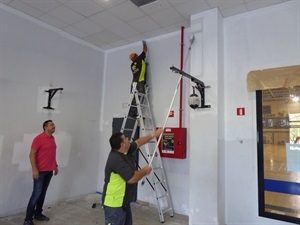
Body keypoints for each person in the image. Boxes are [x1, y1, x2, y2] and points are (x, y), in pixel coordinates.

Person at [102, 128, 163, 225]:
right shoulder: (116, 159)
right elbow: (132, 178)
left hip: (123, 202)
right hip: (114, 204)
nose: (127, 138)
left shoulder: (125, 150)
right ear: (122, 145)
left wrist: (153, 135)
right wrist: (145, 171)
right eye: (125, 138)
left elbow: (139, 142)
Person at [23, 120, 58, 225]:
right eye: (51, 125)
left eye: (54, 125)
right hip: (40, 172)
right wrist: (34, 169)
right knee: (36, 195)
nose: (54, 126)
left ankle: (38, 214)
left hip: (49, 171)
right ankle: (28, 220)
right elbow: (31, 155)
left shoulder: (52, 138)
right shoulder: (39, 139)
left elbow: (51, 154)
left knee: (42, 194)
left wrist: (55, 165)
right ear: (45, 127)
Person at [128, 40, 148, 118]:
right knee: (139, 98)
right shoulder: (140, 59)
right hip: (139, 83)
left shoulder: (132, 65)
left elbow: (139, 69)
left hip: (133, 83)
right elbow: (145, 50)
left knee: (134, 99)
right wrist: (144, 44)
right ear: (136, 56)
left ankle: (132, 114)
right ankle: (134, 114)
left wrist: (146, 65)